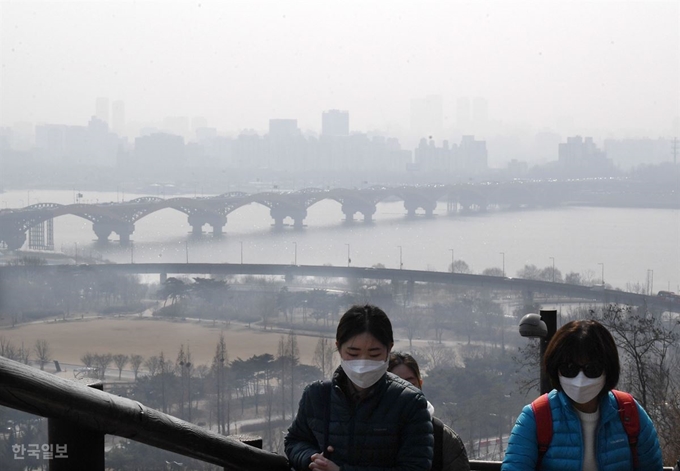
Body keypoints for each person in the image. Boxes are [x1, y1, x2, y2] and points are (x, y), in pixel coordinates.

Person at [285, 304, 434, 471]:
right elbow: (295, 440)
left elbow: (416, 466)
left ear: (389, 349)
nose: (363, 362)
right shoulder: (317, 395)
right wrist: (311, 459)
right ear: (339, 348)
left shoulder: (409, 402)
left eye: (374, 354)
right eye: (353, 354)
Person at [502, 319, 663, 471]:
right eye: (569, 369)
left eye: (592, 369)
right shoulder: (536, 418)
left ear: (608, 369)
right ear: (556, 369)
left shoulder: (630, 414)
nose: (580, 380)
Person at [388, 352, 471, 471]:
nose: (403, 391)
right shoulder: (366, 431)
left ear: (420, 384)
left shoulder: (443, 437)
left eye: (410, 384)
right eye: (395, 384)